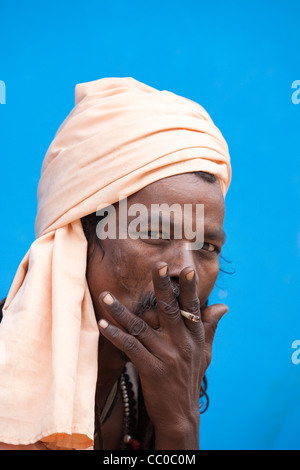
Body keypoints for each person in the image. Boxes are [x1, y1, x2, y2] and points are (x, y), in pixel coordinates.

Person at [0, 77, 231, 450]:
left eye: (207, 245)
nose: (185, 270)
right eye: (155, 234)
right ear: (75, 237)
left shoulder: (149, 381)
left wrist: (179, 421)